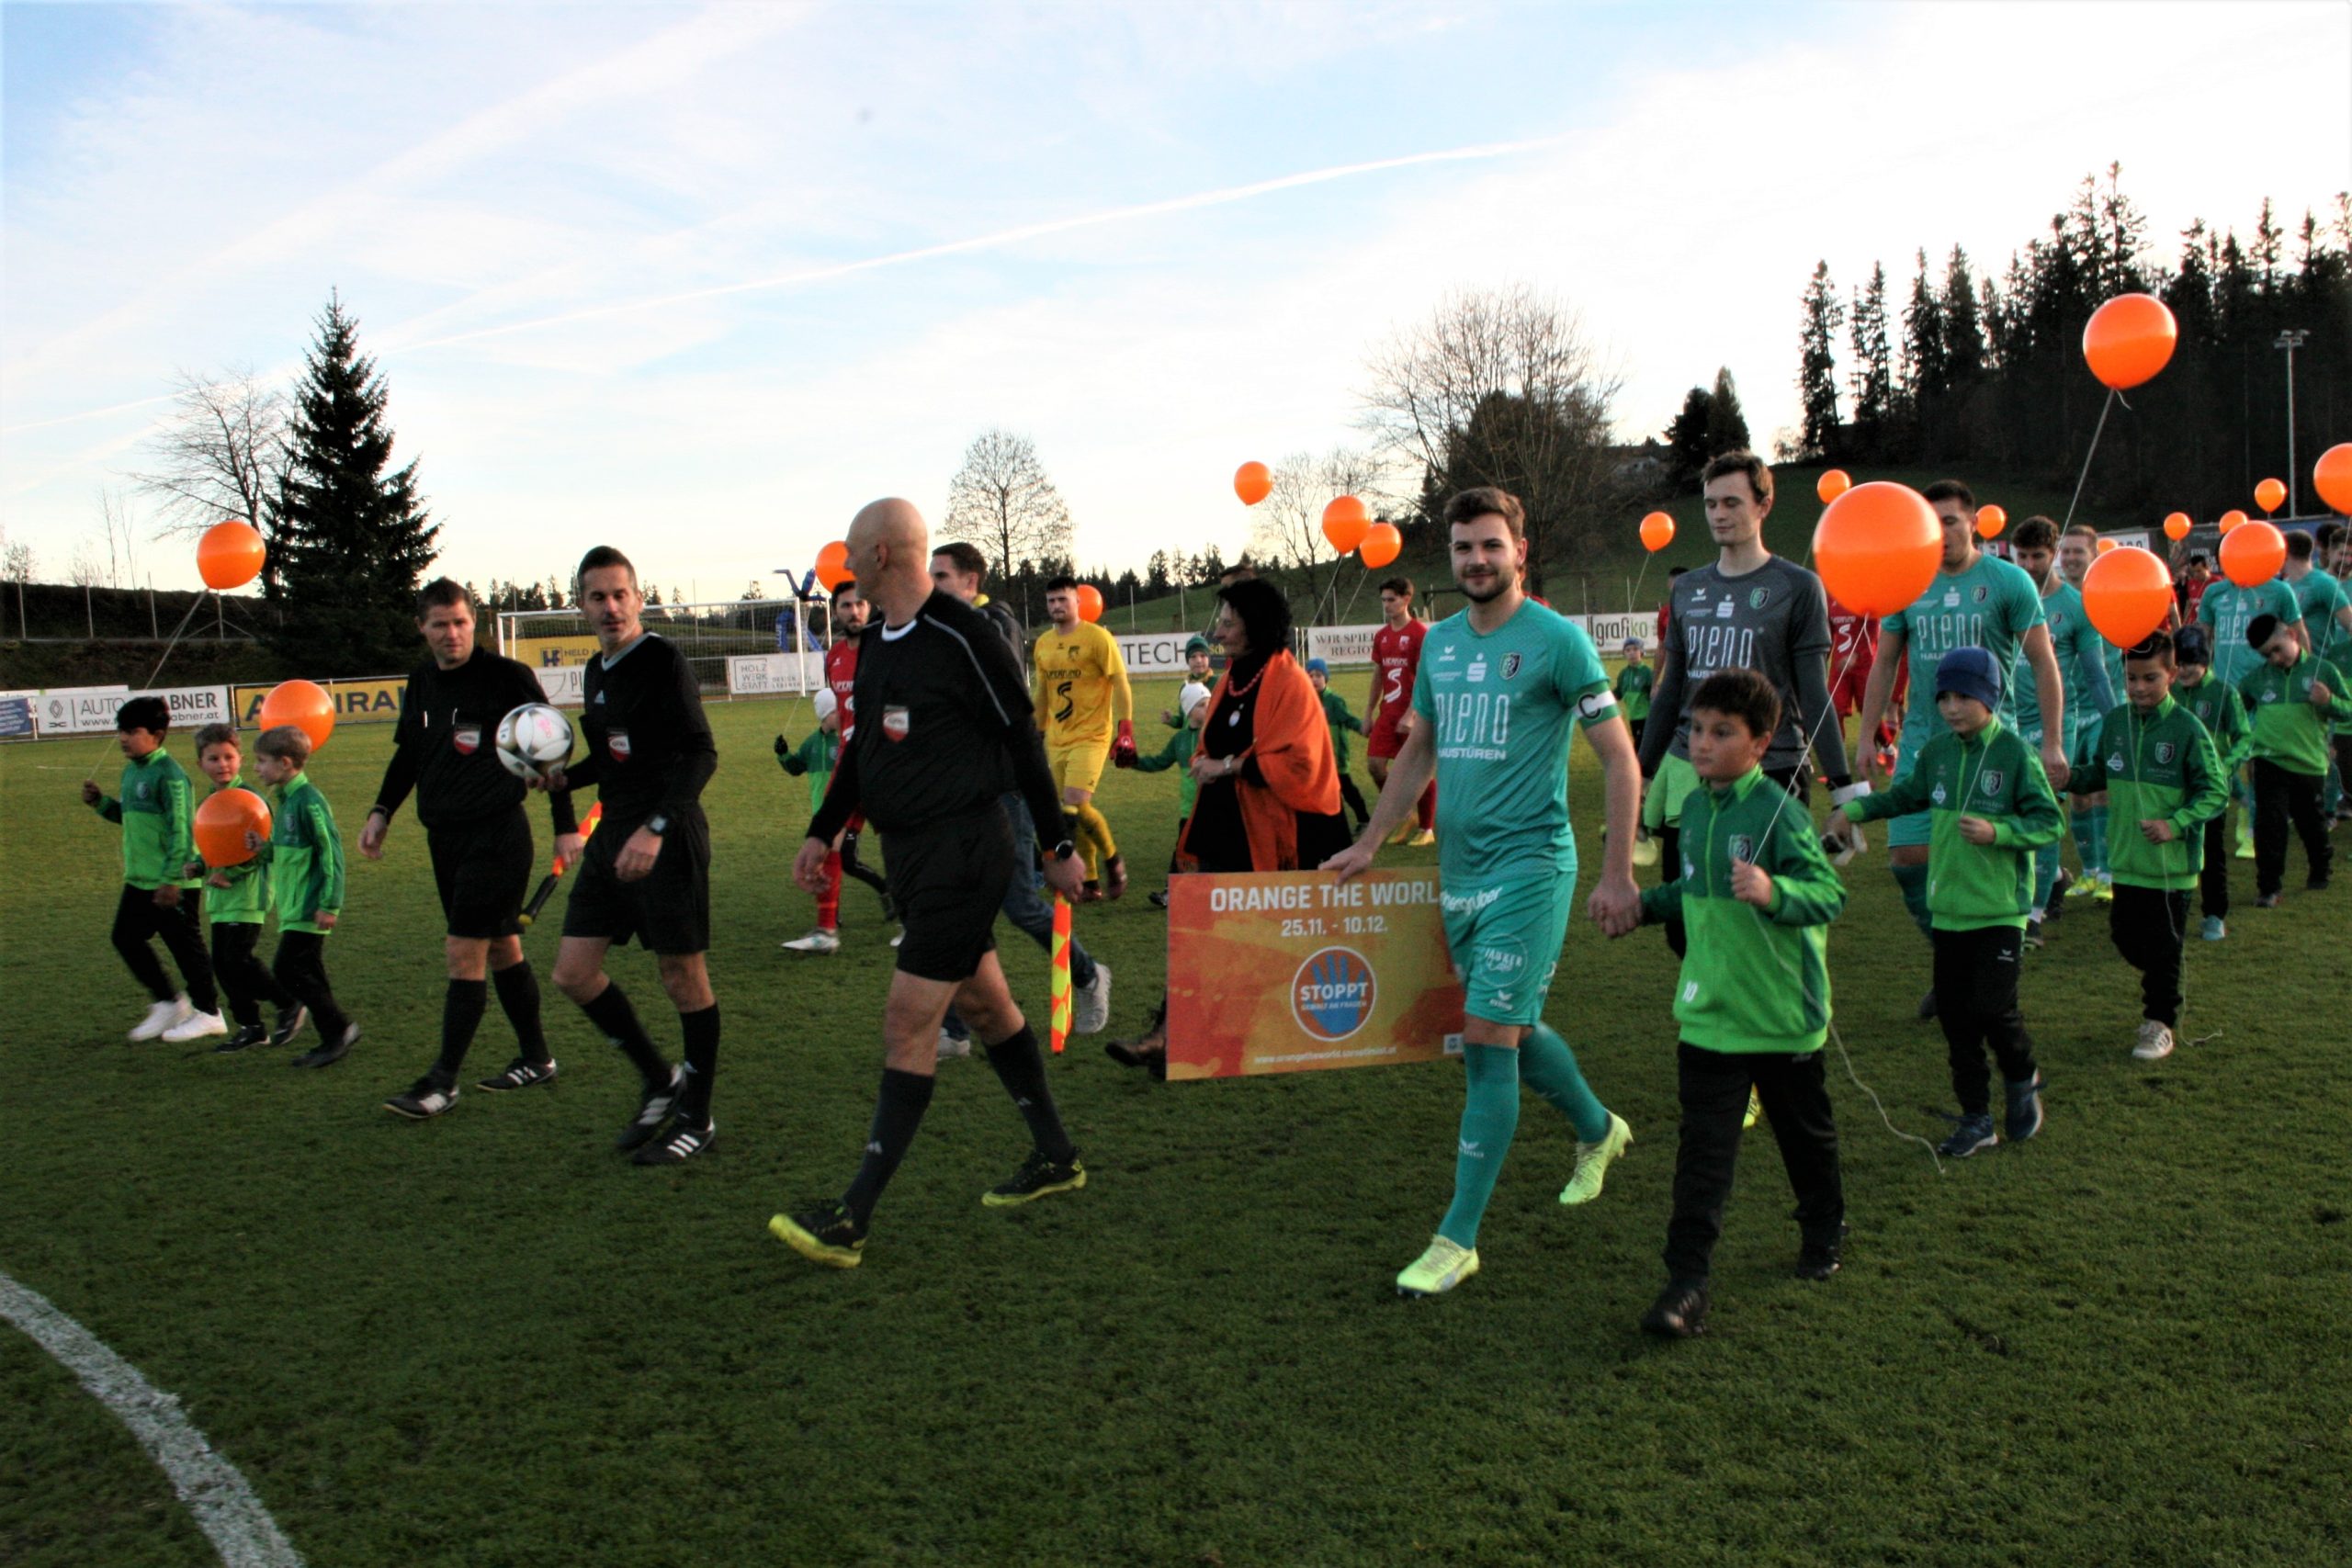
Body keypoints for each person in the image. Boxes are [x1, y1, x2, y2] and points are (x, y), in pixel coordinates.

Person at [1324, 485, 1645, 1298]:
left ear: (1520, 552)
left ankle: (1456, 1238)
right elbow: (1417, 751)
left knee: (1484, 1040)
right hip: (1459, 872)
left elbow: (1618, 756)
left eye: (1491, 545)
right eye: (1464, 547)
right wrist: (1369, 840)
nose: (1476, 559)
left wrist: (1616, 871)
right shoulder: (1439, 647)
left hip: (1533, 868)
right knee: (1512, 1026)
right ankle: (1599, 1129)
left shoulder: (1558, 642)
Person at [771, 499, 1090, 1269]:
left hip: (964, 851)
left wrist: (1056, 842)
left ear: (881, 553)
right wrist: (825, 828)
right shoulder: (876, 639)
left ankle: (852, 1215)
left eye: (850, 550)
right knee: (986, 1003)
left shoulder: (963, 633)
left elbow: (1022, 737)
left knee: (907, 1023)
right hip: (913, 857)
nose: (841, 564)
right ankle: (1056, 1156)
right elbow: (860, 753)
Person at [1614, 670, 1847, 1340]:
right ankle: (1685, 1283)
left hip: (1780, 1018)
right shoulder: (1694, 811)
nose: (1702, 743)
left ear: (1762, 741)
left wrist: (1776, 892)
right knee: (1703, 1157)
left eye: (1722, 732)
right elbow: (1694, 893)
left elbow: (1828, 896)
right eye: (1695, 729)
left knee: (1805, 1137)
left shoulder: (1777, 810)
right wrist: (1641, 907)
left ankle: (1823, 1229)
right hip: (1709, 1014)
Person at [1106, 579, 1348, 1073]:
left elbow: (1301, 762)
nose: (1218, 630)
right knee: (1200, 929)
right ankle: (1172, 1034)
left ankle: (1203, 1035)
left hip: (1271, 831)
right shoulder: (1233, 675)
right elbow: (1208, 739)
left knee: (1250, 938)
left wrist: (1229, 767)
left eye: (1229, 621)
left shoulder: (1290, 681)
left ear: (1255, 626)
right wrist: (1203, 760)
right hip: (1221, 822)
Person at [1833, 649, 2063, 1158]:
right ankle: (1977, 1118)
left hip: (2000, 910)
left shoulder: (2013, 755)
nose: (1953, 707)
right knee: (1957, 1020)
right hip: (1950, 908)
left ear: (1989, 696)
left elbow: (2051, 823)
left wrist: (1998, 831)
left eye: (1964, 696)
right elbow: (1907, 795)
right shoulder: (1937, 752)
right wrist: (1858, 809)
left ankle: (2022, 1074)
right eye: (1944, 697)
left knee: (1993, 1009)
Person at [1853, 479, 2069, 1019]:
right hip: (1925, 742)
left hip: (1995, 747)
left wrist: (2053, 742)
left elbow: (2043, 663)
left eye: (1950, 520)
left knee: (1984, 862)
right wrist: (1865, 734)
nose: (1941, 531)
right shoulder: (1908, 582)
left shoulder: (2008, 581)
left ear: (1974, 523)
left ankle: (1973, 976)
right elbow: (1885, 661)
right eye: (1931, 522)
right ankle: (1956, 966)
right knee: (1907, 861)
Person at [363, 580, 577, 1120]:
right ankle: (537, 1058)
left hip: (497, 836)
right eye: (440, 624)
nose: (452, 634)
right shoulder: (420, 682)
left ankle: (441, 1082)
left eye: (460, 622)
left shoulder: (506, 677)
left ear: (473, 622)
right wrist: (381, 811)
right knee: (502, 948)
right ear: (422, 628)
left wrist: (565, 826)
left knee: (463, 953)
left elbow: (553, 750)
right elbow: (408, 755)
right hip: (444, 841)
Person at [537, 546, 722, 1165]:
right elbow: (617, 758)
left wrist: (657, 827)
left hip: (666, 838)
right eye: (597, 596)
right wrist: (566, 779)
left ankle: (697, 1116)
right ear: (580, 605)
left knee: (682, 977)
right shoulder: (595, 671)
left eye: (620, 594)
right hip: (612, 836)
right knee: (572, 972)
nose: (610, 606)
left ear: (639, 599)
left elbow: (700, 752)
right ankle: (660, 1078)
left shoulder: (663, 660)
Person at [1639, 451, 1860, 958]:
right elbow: (1671, 691)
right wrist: (1643, 770)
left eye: (1732, 502)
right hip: (1692, 774)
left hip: (1773, 771)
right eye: (1711, 503)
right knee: (1687, 918)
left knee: (1760, 924)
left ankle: (1778, 1029)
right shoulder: (1689, 589)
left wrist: (1845, 788)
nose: (1719, 514)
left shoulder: (1798, 587)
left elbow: (1813, 692)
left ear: (1764, 505)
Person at [929, 542, 1111, 1045]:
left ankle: (1090, 974)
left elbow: (996, 697)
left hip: (1004, 791)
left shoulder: (996, 625)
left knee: (1021, 906)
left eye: (941, 577)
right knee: (955, 910)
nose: (932, 587)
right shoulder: (945, 627)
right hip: (961, 795)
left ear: (971, 582)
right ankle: (955, 1028)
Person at [2062, 632, 2226, 1061]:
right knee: (2127, 938)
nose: (2138, 688)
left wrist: (2175, 824)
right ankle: (2161, 983)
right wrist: (2068, 777)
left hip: (2171, 866)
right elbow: (2099, 772)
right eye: (2131, 678)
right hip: (2127, 860)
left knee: (2164, 949)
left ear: (2171, 674)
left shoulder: (2187, 728)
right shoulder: (2116, 722)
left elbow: (2215, 791)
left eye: (2150, 678)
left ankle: (2159, 1023)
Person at [83, 695, 224, 1043]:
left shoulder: (171, 776)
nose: (123, 738)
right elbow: (128, 818)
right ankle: (169, 1002)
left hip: (171, 882)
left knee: (186, 949)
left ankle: (210, 1013)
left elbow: (181, 830)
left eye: (132, 731)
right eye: (121, 731)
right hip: (141, 879)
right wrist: (100, 803)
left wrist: (172, 879)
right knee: (125, 938)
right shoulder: (133, 771)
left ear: (157, 734)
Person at [2009, 517, 2116, 937]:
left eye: (2038, 556)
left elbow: (2095, 674)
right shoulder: (2007, 596)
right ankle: (2053, 880)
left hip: (2057, 723)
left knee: (2046, 809)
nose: (2031, 564)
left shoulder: (2074, 606)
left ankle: (2033, 915)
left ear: (2052, 554)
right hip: (2010, 722)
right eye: (2023, 557)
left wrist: (2115, 725)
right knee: (2013, 811)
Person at [250, 724, 360, 1068]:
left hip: (310, 907)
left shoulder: (309, 801)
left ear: (285, 763)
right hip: (294, 906)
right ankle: (334, 1037)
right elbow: (288, 852)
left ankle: (340, 1030)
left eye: (261, 761)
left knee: (287, 969)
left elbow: (332, 854)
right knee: (308, 970)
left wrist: (329, 903)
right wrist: (264, 850)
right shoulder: (284, 801)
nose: (256, 768)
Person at [185, 724, 299, 1054]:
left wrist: (230, 873)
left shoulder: (251, 800)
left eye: (228, 757)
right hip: (221, 895)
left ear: (240, 759)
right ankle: (251, 1026)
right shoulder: (210, 800)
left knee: (237, 959)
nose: (222, 764)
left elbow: (260, 849)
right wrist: (200, 866)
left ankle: (287, 1002)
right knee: (222, 963)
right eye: (213, 758)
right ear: (200, 764)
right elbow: (212, 846)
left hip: (248, 892)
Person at [2196, 545, 2303, 859]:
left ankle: (2252, 829)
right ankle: (2241, 805)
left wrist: (2304, 673)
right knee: (2219, 761)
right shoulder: (2215, 593)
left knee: (2256, 763)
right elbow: (2203, 637)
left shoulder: (2279, 591)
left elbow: (2298, 635)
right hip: (2224, 692)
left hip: (2264, 691)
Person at [1032, 575, 1136, 898]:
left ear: (1079, 601)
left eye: (1063, 599)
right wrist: (1036, 732)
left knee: (1074, 802)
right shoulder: (1043, 644)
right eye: (1051, 601)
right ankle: (1091, 881)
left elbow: (1120, 683)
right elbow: (1043, 693)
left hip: (1092, 735)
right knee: (1078, 807)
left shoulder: (1097, 638)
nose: (1057, 606)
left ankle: (1112, 860)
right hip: (1058, 739)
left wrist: (1125, 728)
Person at [2237, 613, 2349, 905]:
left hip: (2309, 764)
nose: (2274, 658)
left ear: (2292, 635)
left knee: (2310, 824)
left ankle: (2320, 869)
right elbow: (2235, 714)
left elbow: (2348, 709)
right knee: (2268, 823)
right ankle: (2269, 888)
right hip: (2268, 761)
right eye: (2267, 654)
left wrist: (2329, 702)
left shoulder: (2323, 671)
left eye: (2277, 649)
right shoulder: (2256, 680)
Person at [775, 689, 889, 953]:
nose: (839, 715)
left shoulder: (849, 740)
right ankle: (829, 923)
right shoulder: (812, 744)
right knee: (836, 859)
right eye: (833, 711)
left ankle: (889, 894)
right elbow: (795, 767)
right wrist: (783, 755)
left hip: (855, 803)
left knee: (853, 859)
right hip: (828, 813)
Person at [2169, 626, 2249, 941]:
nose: (2186, 669)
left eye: (2192, 662)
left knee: (2212, 853)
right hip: (2172, 787)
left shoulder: (2224, 693)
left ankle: (2214, 915)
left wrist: (2226, 767)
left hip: (2210, 791)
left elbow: (2244, 737)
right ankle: (2172, 913)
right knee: (2173, 852)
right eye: (2180, 662)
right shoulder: (2169, 692)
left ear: (2206, 660)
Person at [2282, 527, 2352, 817]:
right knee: (2299, 742)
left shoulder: (2322, 584)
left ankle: (2330, 807)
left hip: (2320, 672)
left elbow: (2349, 624)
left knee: (2326, 745)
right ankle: (2304, 803)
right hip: (2292, 673)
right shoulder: (2285, 585)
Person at [1364, 577, 1435, 847]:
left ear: (1406, 599)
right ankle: (1404, 813)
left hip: (1414, 714)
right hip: (1387, 713)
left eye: (1391, 599)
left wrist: (1411, 713)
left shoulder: (1420, 634)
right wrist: (1369, 712)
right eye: (1383, 600)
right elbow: (1379, 674)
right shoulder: (1382, 636)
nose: (1386, 605)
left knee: (1419, 770)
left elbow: (1424, 677)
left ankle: (1427, 828)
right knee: (1375, 766)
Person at [1133, 680, 1213, 908]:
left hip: (1213, 807)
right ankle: (1171, 893)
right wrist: (1132, 762)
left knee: (1215, 853)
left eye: (1208, 703)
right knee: (1182, 850)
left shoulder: (1215, 734)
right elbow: (1158, 762)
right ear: (1189, 710)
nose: (1207, 708)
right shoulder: (1179, 740)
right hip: (1189, 809)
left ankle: (1214, 893)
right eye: (1201, 705)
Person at [1306, 657, 1371, 831]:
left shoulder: (1334, 701)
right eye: (1310, 676)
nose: (1314, 679)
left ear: (1326, 677)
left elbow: (1348, 719)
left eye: (1318, 675)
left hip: (1336, 757)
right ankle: (1328, 826)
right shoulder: (1306, 700)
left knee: (1347, 790)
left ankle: (1364, 820)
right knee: (1321, 792)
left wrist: (1364, 729)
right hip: (1316, 758)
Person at [1613, 637, 1655, 752]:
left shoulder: (1647, 672)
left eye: (1635, 649)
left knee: (1639, 746)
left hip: (1646, 716)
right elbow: (1619, 693)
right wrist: (1605, 698)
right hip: (1632, 716)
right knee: (1640, 743)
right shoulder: (1624, 674)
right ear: (1624, 653)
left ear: (1641, 652)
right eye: (1628, 650)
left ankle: (1637, 767)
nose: (1631, 653)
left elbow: (1654, 694)